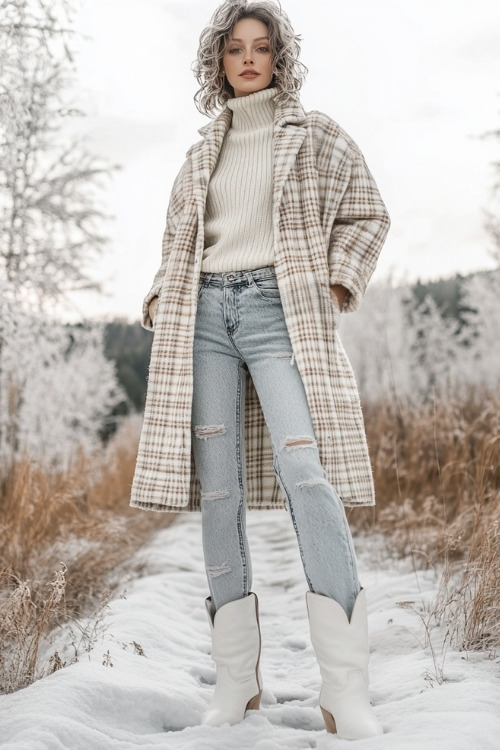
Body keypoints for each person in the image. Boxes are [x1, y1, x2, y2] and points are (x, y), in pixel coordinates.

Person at [131, 0, 390, 739]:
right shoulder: (198, 151)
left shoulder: (315, 135)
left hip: (280, 310)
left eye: (262, 46)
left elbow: (369, 213)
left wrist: (339, 279)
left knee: (308, 474)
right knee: (219, 490)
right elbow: (177, 241)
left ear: (280, 58)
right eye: (234, 48)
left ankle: (346, 692)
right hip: (205, 318)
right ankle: (235, 687)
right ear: (218, 60)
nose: (248, 58)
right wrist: (159, 295)